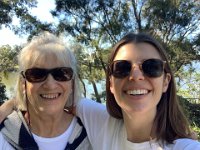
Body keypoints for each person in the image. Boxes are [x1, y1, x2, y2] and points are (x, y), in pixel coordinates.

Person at [1, 32, 200, 150]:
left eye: (151, 67)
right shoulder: (100, 122)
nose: (137, 76)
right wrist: (14, 102)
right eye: (122, 68)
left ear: (166, 81)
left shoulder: (185, 147)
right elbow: (50, 99)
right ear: (111, 84)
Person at [0, 32, 91, 150]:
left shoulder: (91, 134)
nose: (50, 85)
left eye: (61, 73)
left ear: (72, 83)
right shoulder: (4, 136)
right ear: (23, 83)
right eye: (37, 74)